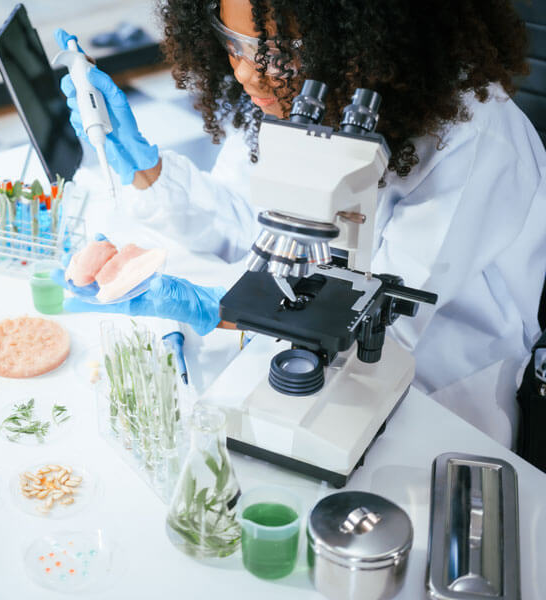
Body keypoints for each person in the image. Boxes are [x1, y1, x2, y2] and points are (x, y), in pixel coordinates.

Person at [53, 0, 546, 448]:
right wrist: (146, 171)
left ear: (354, 43)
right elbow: (247, 220)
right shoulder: (289, 95)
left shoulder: (473, 137)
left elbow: (384, 324)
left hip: (440, 394)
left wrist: (214, 308)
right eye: (235, 44)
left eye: (272, 52)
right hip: (306, 361)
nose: (246, 73)